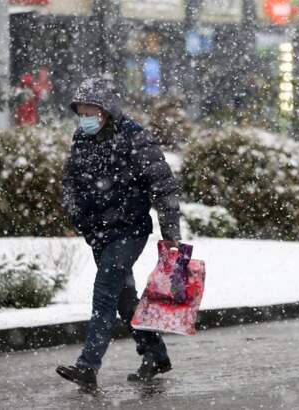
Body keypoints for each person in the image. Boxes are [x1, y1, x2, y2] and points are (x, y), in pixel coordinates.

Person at [56, 77, 181, 391]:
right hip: (98, 233)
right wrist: (77, 214)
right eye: (80, 111)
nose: (84, 117)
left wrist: (171, 236)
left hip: (129, 230)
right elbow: (69, 181)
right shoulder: (82, 139)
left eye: (90, 110)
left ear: (106, 110)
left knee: (105, 293)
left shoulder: (135, 137)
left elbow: (163, 186)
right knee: (125, 300)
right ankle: (155, 354)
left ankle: (88, 366)